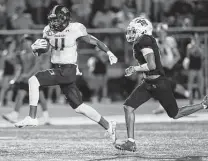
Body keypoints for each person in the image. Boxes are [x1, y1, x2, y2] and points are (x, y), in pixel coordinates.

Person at [14, 5, 118, 143]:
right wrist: (36, 49)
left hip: (67, 70)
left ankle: (32, 117)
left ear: (64, 18)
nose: (53, 22)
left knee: (34, 80)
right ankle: (108, 126)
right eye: (52, 19)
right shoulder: (48, 30)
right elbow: (46, 48)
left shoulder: (75, 28)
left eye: (56, 19)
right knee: (79, 107)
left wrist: (109, 52)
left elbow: (94, 41)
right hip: (59, 69)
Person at [114, 17, 208, 152]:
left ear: (143, 31)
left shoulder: (144, 40)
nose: (131, 34)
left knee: (175, 114)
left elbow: (151, 65)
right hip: (148, 82)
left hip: (159, 83)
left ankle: (203, 104)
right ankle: (131, 142)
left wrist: (135, 68)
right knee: (128, 107)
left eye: (134, 31)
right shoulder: (144, 40)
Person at [2, 35, 50, 125]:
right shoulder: (21, 54)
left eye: (27, 41)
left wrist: (27, 75)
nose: (25, 44)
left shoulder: (36, 53)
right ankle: (14, 115)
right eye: (23, 42)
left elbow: (36, 66)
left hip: (36, 79)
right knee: (20, 95)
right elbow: (19, 67)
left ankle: (46, 117)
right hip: (25, 80)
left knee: (41, 98)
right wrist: (16, 77)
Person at [153, 23, 190, 114]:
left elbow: (177, 55)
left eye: (162, 32)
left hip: (170, 67)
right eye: (159, 32)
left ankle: (187, 94)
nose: (161, 33)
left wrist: (172, 63)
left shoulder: (170, 41)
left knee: (170, 86)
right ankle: (187, 94)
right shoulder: (156, 42)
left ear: (165, 32)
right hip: (161, 67)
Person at [183, 33, 204, 104]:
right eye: (195, 38)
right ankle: (190, 98)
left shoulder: (201, 46)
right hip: (192, 67)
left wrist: (197, 46)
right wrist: (195, 46)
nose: (196, 39)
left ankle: (201, 96)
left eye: (197, 38)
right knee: (190, 83)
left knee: (201, 82)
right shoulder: (189, 46)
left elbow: (202, 55)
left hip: (199, 67)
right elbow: (189, 54)